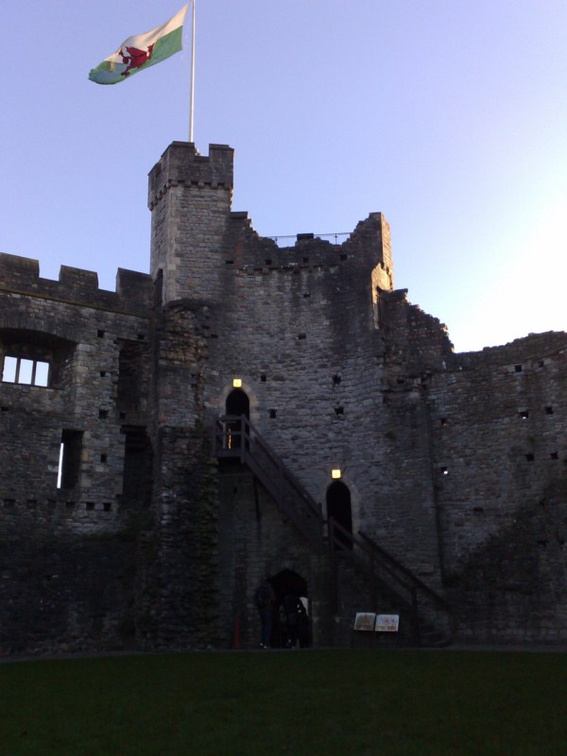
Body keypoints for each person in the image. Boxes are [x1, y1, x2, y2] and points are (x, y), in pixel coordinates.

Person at [254, 579, 276, 648]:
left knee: (263, 627)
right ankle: (265, 643)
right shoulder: (269, 589)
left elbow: (255, 599)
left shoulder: (259, 590)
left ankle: (262, 642)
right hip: (267, 610)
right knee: (267, 627)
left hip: (261, 611)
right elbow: (273, 599)